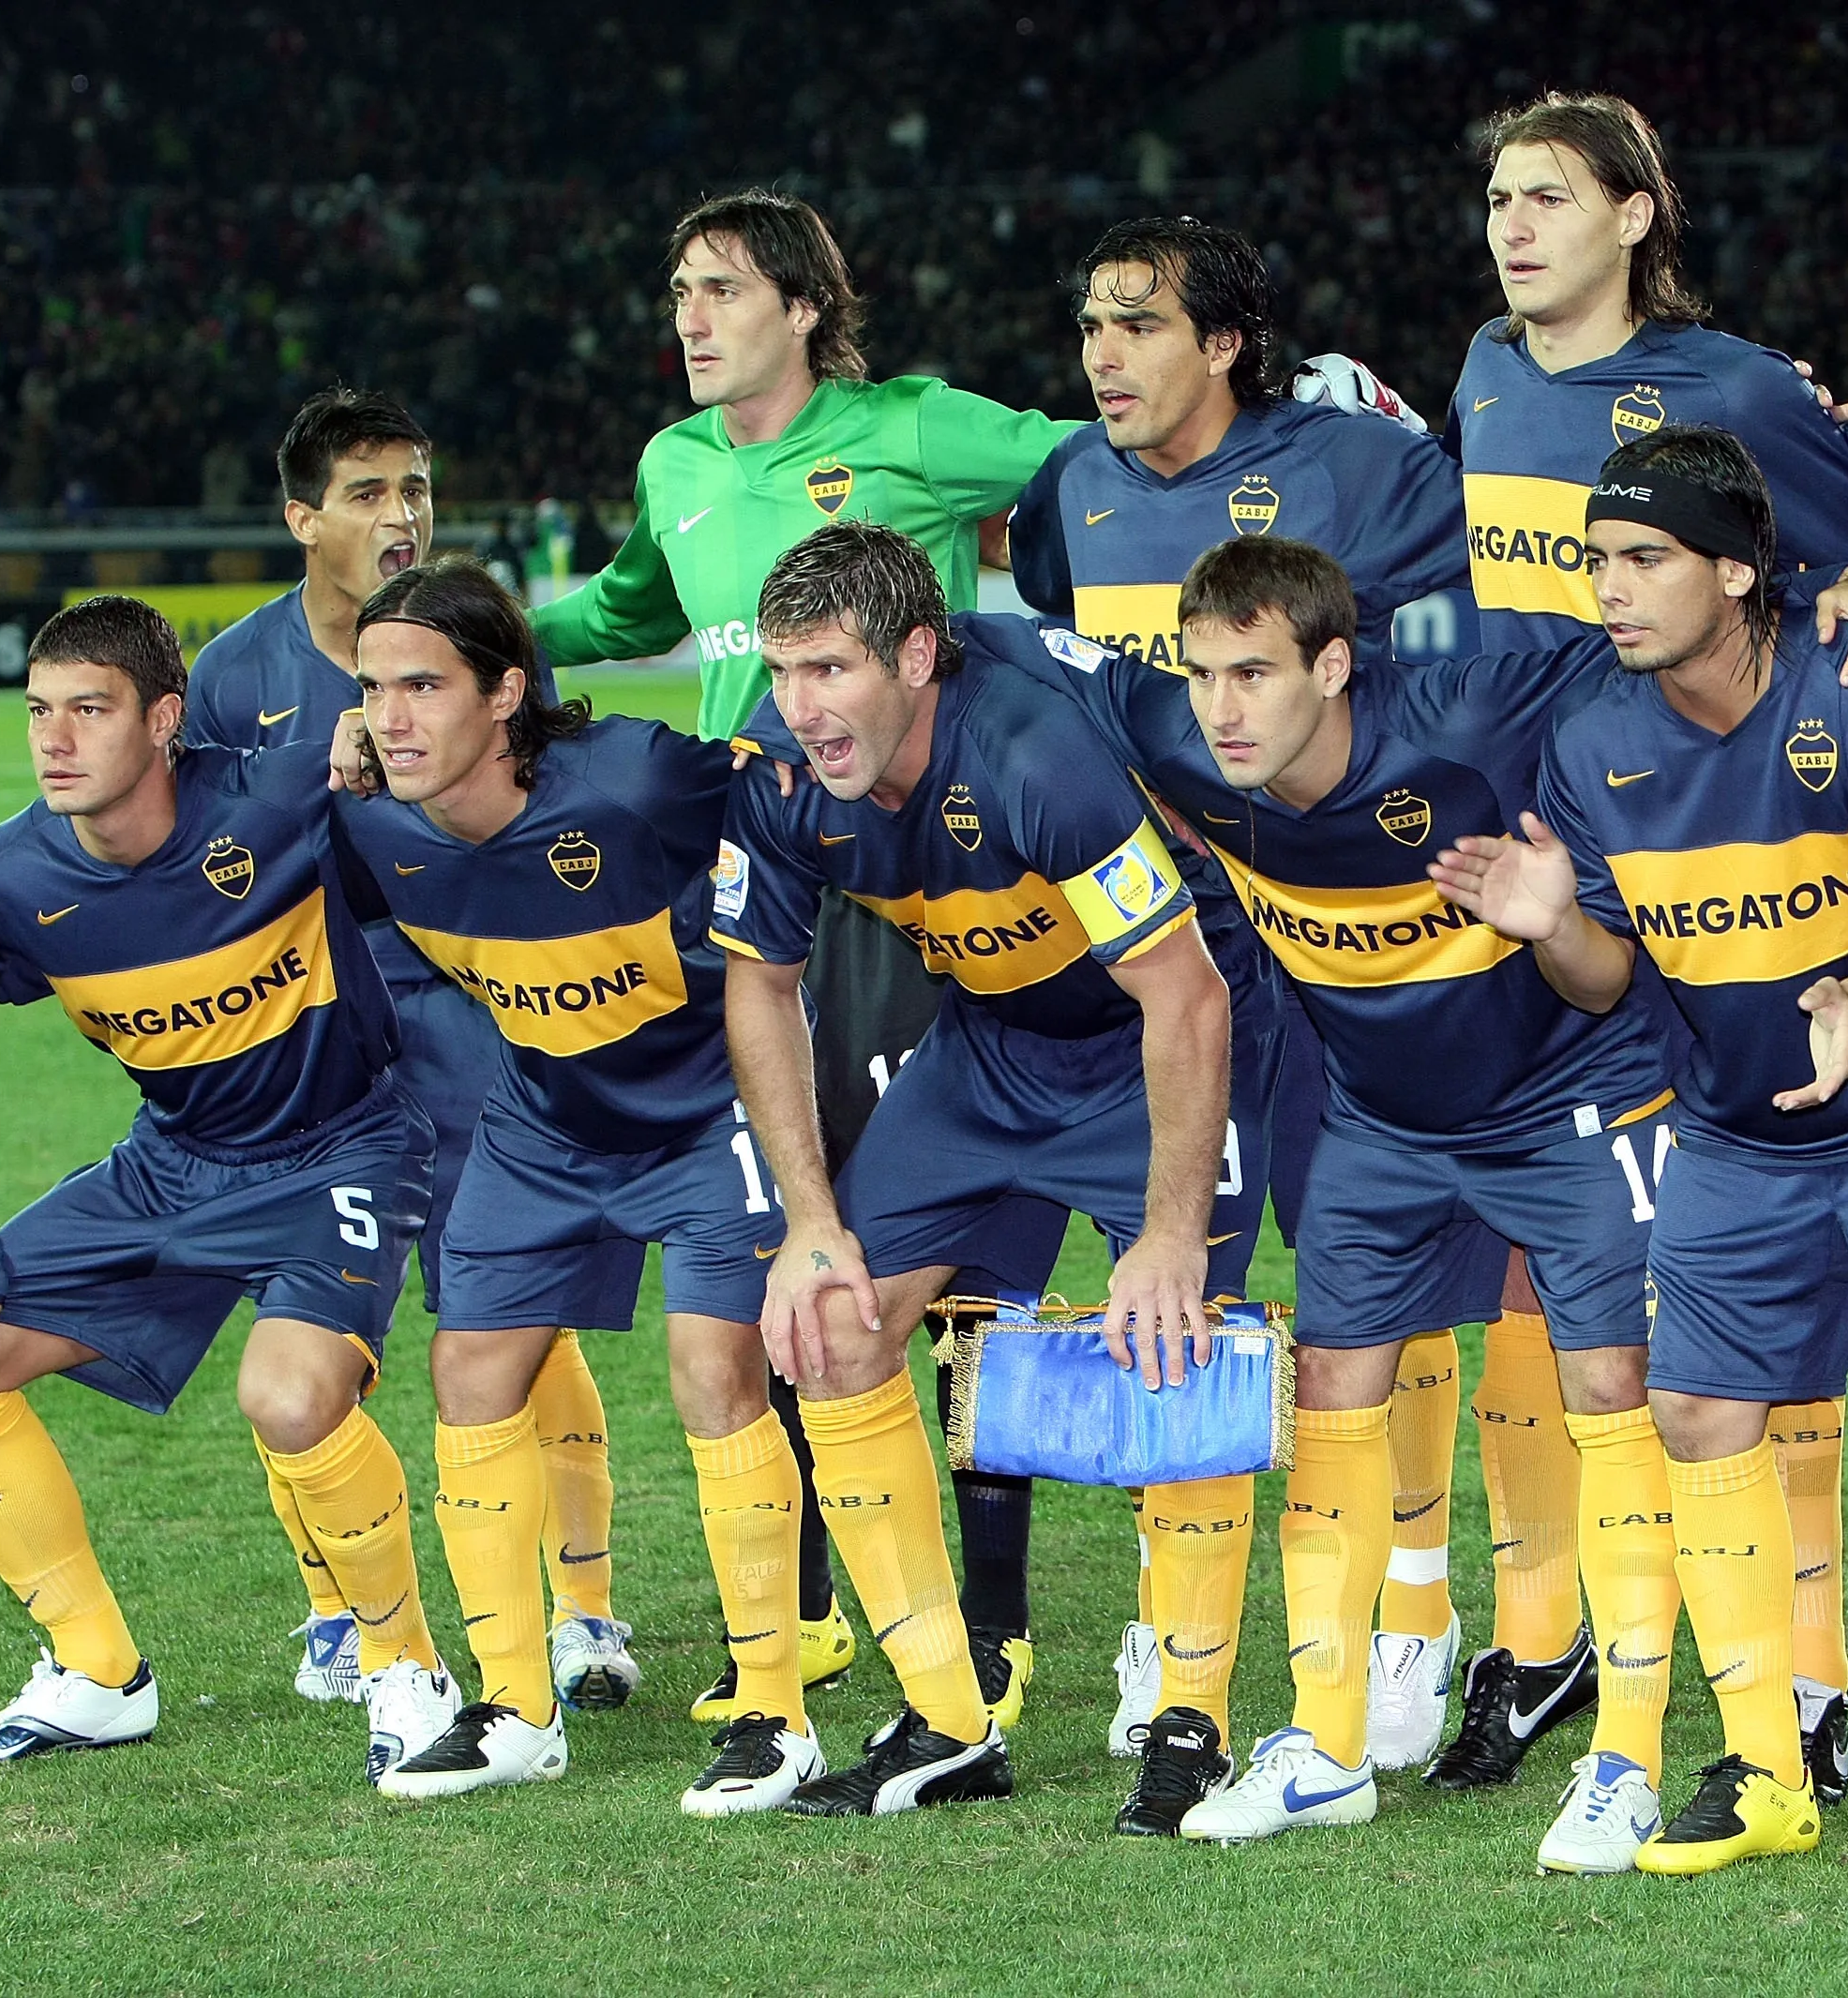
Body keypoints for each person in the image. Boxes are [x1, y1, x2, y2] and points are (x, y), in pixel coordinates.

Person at [1435, 424, 1848, 1885]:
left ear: (1737, 570)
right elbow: (1603, 980)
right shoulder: (1592, 743)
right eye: (1595, 560)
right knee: (1699, 1417)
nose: (1611, 589)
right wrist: (1550, 919)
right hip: (1734, 1131)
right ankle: (1767, 1760)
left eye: (1643, 559)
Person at [1012, 533, 1674, 1867]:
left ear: (1335, 663)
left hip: (1567, 1097)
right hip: (1379, 1115)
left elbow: (1663, 634)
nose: (1222, 705)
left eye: (1254, 671)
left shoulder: (1467, 717)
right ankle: (1325, 1744)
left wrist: (1843, 582)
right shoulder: (1181, 734)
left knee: (1612, 1391)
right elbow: (1015, 647)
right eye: (1203, 672)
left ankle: (1631, 1758)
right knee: (1332, 1391)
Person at [533, 194, 1079, 1715]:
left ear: (802, 305)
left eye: (719, 289)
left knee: (963, 1262)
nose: (689, 316)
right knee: (793, 1224)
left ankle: (998, 1618)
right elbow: (626, 608)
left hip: (929, 894)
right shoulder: (677, 464)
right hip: (757, 895)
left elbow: (1094, 463)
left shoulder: (911, 428)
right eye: (678, 289)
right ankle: (819, 1607)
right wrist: (472, 639)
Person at [1441, 87, 1848, 1801]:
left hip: (1704, 874)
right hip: (1537, 868)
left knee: (1733, 1291)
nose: (1514, 227)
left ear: (1641, 215)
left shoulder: (1728, 390)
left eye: (1551, 197)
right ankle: (1552, 1627)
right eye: (1499, 197)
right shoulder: (1487, 377)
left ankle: (1810, 1680)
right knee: (1525, 1266)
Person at [1010, 214, 1478, 1765]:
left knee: (1378, 1290)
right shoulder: (1069, 493)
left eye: (1137, 324)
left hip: (1341, 926)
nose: (1102, 358)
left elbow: (1497, 588)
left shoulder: (1348, 463)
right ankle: (1174, 1613)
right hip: (1163, 950)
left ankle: (1417, 1613)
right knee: (1185, 1279)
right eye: (1089, 326)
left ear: (1224, 342)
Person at [717, 520, 1271, 1823]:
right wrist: (808, 1217)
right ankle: (946, 1718)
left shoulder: (1033, 751)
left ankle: (1190, 1721)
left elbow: (1183, 996)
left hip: (1157, 1031)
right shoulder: (781, 764)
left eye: (832, 670)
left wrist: (1169, 1229)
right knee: (834, 1327)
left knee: (1174, 1344)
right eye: (784, 670)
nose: (802, 707)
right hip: (989, 1044)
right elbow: (760, 984)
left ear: (917, 655)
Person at [0, 595, 458, 1786]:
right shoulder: (1, 882)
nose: (54, 739)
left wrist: (372, 735)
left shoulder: (276, 795)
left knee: (290, 1396)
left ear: (163, 719)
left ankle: (405, 1668)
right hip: (171, 1165)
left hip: (343, 1146)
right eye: (39, 711)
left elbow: (433, 771)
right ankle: (99, 1675)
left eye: (88, 710)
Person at [317, 560, 807, 1810]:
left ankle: (773, 1711)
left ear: (505, 691)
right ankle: (517, 1706)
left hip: (706, 1110)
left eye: (424, 684)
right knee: (470, 1371)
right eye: (374, 689)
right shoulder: (370, 819)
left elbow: (785, 791)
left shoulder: (633, 778)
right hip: (540, 1122)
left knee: (715, 1371)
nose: (394, 715)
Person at [188, 387, 632, 1718]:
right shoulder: (232, 677)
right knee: (302, 1317)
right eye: (372, 493)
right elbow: (211, 875)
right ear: (301, 517)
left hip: (470, 1021)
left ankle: (585, 1610)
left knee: (511, 1312)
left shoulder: (479, 643)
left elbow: (543, 832)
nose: (404, 515)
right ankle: (338, 1607)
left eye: (418, 488)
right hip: (311, 1046)